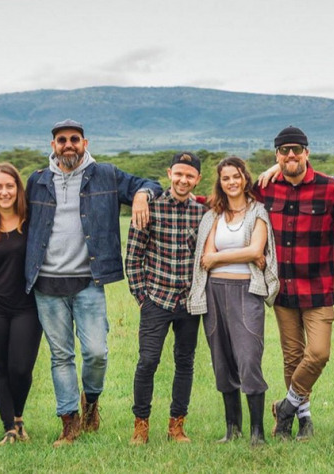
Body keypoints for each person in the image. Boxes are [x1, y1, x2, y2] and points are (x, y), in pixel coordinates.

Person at [25, 119, 163, 447]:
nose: (68, 145)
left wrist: (141, 195)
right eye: (61, 140)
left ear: (85, 143)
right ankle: (69, 422)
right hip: (46, 283)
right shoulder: (37, 181)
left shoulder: (106, 175)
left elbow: (152, 184)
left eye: (74, 139)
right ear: (53, 146)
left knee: (96, 352)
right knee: (61, 356)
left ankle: (91, 402)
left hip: (89, 280)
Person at [253, 126, 334, 441]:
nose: (291, 155)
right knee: (292, 357)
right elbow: (229, 198)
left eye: (296, 149)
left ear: (307, 153)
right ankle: (301, 419)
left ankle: (285, 407)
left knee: (319, 353)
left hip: (318, 288)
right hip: (282, 289)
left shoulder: (330, 188)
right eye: (284, 151)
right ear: (277, 155)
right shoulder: (265, 188)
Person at [189, 156, 279, 446]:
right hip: (214, 291)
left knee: (249, 358)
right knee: (222, 359)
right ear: (220, 182)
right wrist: (229, 256)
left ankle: (258, 432)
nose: (231, 182)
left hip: (246, 291)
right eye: (226, 178)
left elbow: (255, 251)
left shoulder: (258, 212)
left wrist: (220, 257)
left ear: (245, 179)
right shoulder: (212, 216)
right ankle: (232, 429)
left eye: (236, 176)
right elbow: (206, 257)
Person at [125, 152, 206, 445]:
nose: (183, 180)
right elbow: (133, 257)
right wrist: (142, 297)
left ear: (197, 179)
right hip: (156, 299)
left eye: (189, 176)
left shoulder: (202, 214)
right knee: (147, 362)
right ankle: (141, 425)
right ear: (170, 173)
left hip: (189, 302)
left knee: (185, 362)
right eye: (179, 174)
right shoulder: (150, 208)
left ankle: (177, 426)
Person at [0, 163, 43, 445]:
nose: (4, 192)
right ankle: (11, 426)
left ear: (18, 188)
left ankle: (18, 416)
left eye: (9, 186)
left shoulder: (32, 221)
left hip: (27, 306)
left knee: (21, 368)